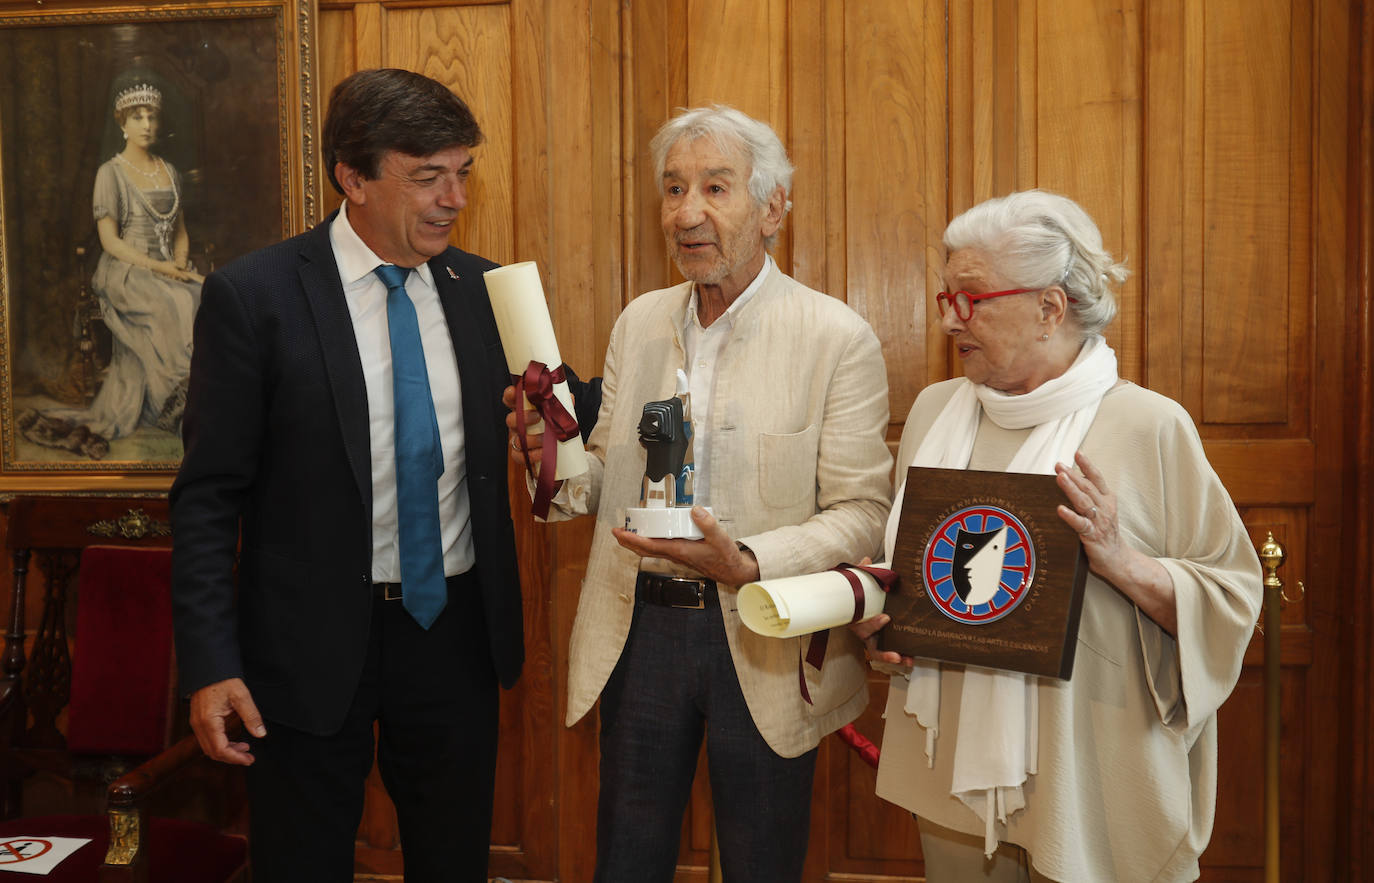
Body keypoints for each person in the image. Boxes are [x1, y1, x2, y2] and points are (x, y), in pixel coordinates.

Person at [507, 105, 893, 881]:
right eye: (674, 188)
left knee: (761, 860)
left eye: (716, 188)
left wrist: (749, 558)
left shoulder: (836, 337)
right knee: (628, 856)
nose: (687, 214)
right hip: (638, 632)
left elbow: (863, 512)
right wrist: (547, 453)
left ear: (773, 207)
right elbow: (601, 482)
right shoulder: (639, 324)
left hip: (765, 633)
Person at [170, 68, 526, 882]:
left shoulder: (486, 292)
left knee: (453, 861)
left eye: (463, 172)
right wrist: (211, 662)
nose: (454, 198)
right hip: (303, 646)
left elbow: (567, 411)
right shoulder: (254, 297)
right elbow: (205, 500)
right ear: (353, 177)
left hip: (454, 634)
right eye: (427, 176)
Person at [854, 190, 1263, 882]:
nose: (953, 319)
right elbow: (922, 574)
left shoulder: (1149, 425)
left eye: (973, 297)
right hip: (951, 768)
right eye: (946, 297)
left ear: (1051, 307)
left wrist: (1120, 560)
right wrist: (887, 621)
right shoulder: (933, 413)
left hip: (1094, 770)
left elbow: (1231, 598)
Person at [20, 78, 203, 456]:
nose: (147, 124)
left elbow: (181, 230)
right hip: (125, 269)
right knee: (174, 304)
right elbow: (110, 242)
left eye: (152, 116)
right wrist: (160, 268)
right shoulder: (111, 172)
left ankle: (188, 401)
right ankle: (175, 403)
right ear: (122, 124)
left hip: (166, 265)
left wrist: (179, 262)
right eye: (138, 116)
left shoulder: (169, 171)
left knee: (206, 294)